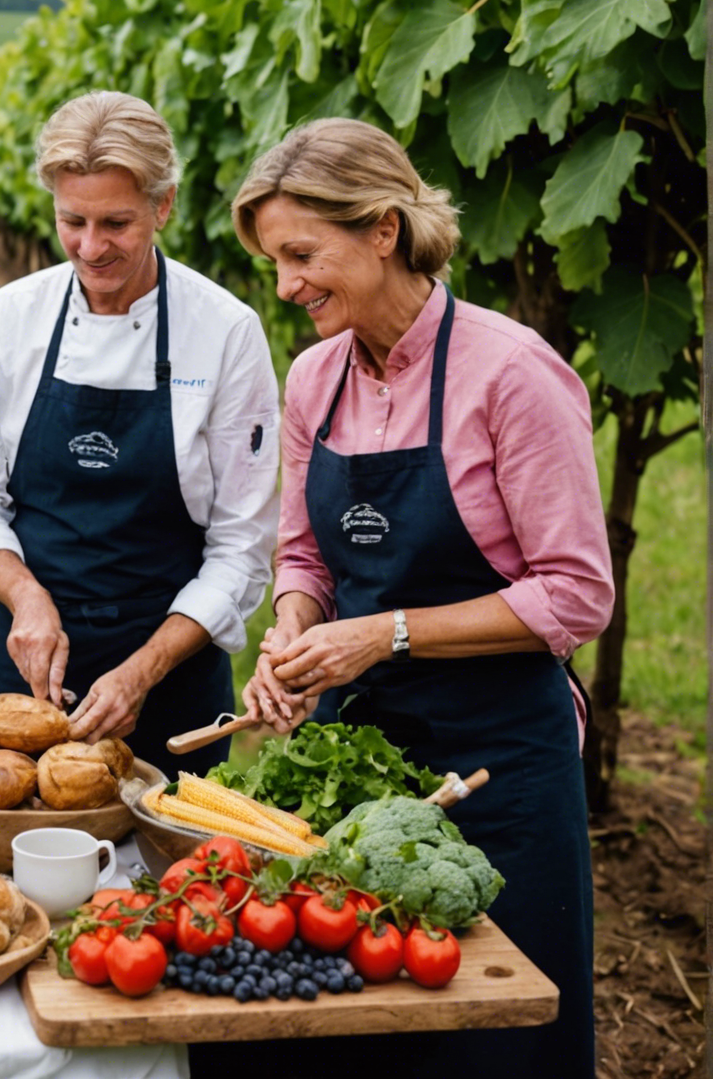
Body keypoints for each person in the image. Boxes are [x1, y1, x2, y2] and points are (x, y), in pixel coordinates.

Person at [221, 117, 610, 1075]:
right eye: (274, 261)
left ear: (384, 229)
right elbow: (306, 555)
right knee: (365, 1028)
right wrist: (295, 636)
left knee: (503, 1034)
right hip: (362, 765)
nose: (286, 286)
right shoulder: (314, 376)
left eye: (303, 254)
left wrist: (384, 634)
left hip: (503, 763)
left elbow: (575, 594)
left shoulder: (511, 373)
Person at [0, 91, 279, 778]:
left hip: (173, 664)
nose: (91, 248)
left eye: (117, 223)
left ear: (164, 205)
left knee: (170, 878)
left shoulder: (224, 332)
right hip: (23, 653)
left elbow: (240, 546)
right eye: (73, 221)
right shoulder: (9, 320)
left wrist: (145, 668)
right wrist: (27, 599)